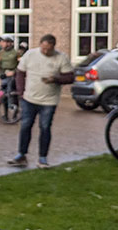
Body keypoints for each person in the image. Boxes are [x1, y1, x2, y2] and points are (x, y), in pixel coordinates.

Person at [8, 34, 73, 169]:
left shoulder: (61, 58)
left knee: (45, 128)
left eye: (48, 50)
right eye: (43, 48)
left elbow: (70, 77)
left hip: (49, 100)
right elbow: (20, 73)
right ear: (40, 45)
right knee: (25, 126)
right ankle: (21, 155)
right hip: (29, 98)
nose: (45, 52)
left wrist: (56, 79)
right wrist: (21, 92)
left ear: (53, 47)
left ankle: (42, 158)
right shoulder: (30, 55)